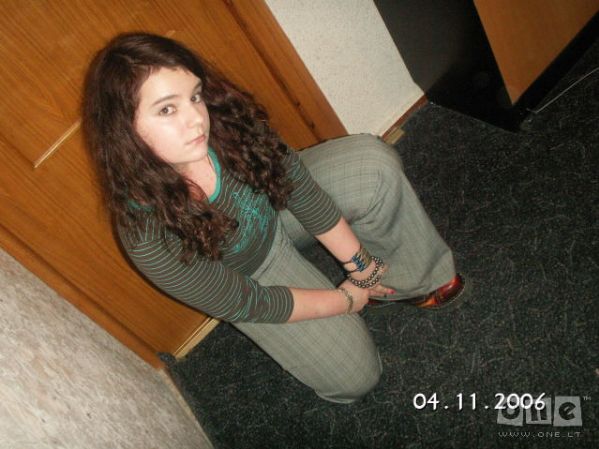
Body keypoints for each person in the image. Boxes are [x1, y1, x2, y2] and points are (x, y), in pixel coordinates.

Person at [82, 32, 464, 404]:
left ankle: (410, 279)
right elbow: (248, 302)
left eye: (194, 96)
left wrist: (361, 268)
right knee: (357, 377)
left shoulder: (226, 122)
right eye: (167, 109)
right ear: (124, 128)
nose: (197, 119)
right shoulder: (145, 232)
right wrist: (345, 299)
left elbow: (299, 187)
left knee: (372, 164)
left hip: (277, 210)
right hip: (253, 275)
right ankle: (353, 301)